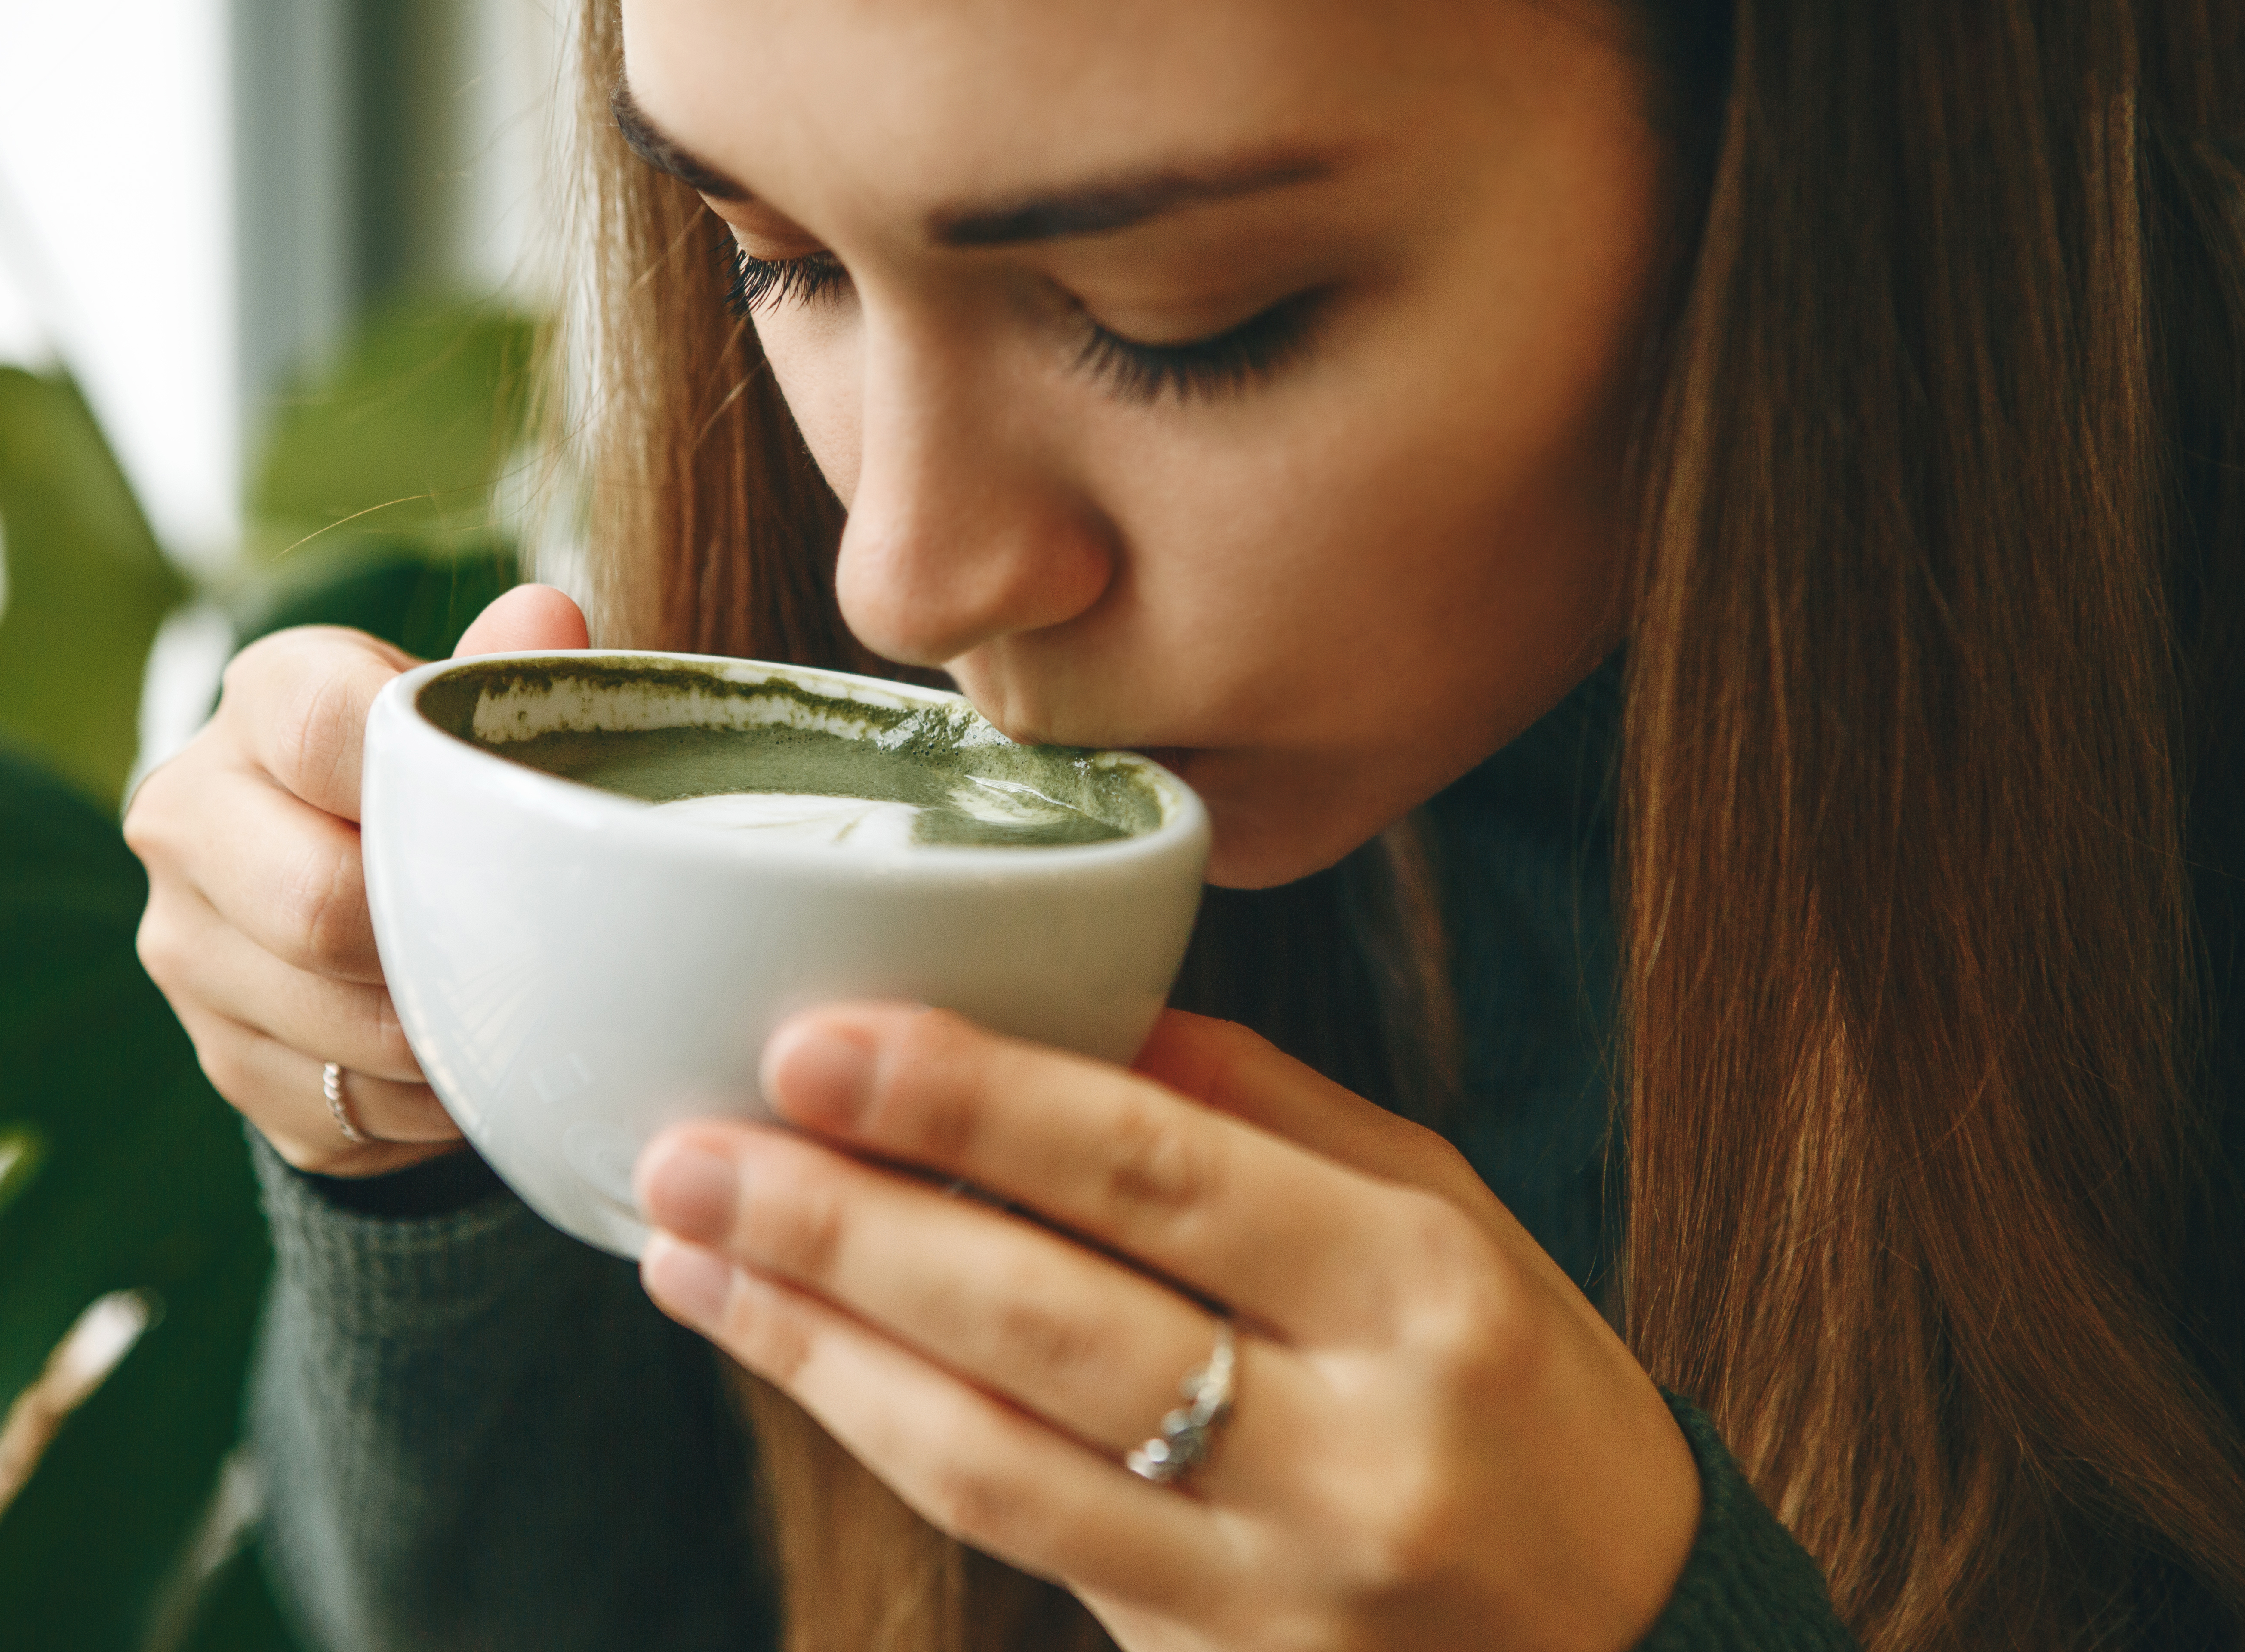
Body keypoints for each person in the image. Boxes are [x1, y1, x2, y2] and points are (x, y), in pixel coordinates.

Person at [122, 0, 2245, 1647]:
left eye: (1182, 320)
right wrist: (423, 1143)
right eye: (776, 260)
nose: (908, 581)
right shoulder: (818, 648)